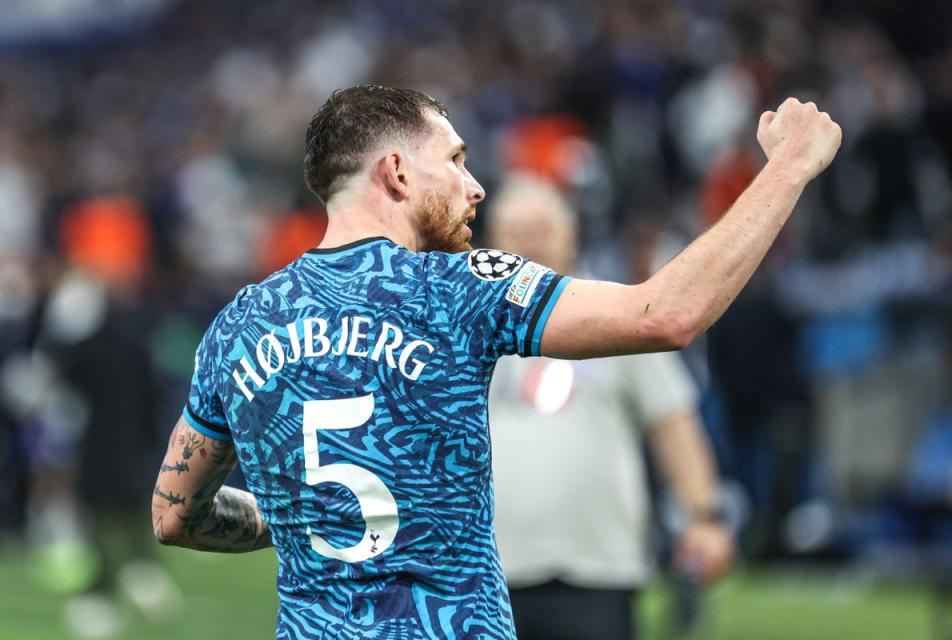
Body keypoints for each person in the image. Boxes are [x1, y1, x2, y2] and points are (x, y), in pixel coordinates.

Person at [151, 85, 841, 639]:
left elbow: (175, 514)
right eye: (454, 160)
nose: (475, 186)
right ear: (395, 173)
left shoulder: (239, 323)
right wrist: (788, 169)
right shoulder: (461, 287)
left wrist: (300, 520)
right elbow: (668, 314)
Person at [485, 175, 734, 640]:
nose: (531, 242)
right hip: (485, 570)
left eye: (542, 228)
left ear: (571, 231)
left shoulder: (615, 312)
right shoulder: (463, 320)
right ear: (493, 241)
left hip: (599, 567)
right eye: (517, 231)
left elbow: (671, 420)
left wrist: (703, 516)